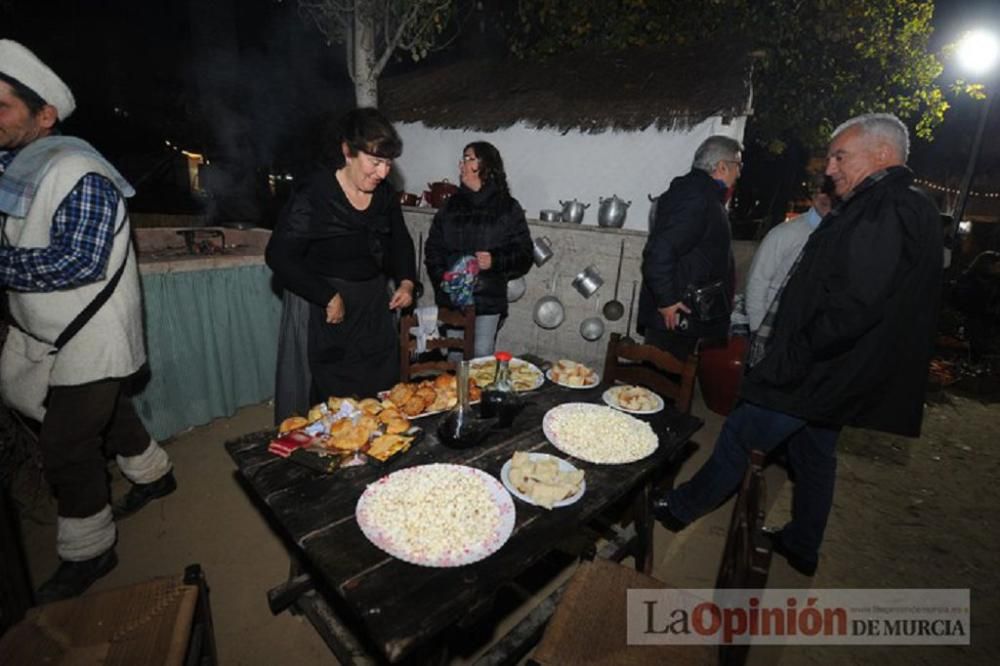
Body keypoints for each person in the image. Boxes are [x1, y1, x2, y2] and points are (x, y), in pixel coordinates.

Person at [653, 113, 942, 577]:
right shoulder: (891, 204)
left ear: (882, 154)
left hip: (815, 372)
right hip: (833, 376)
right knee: (814, 455)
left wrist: (792, 356)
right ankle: (803, 542)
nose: (830, 168)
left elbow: (851, 307)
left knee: (739, 436)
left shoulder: (887, 209)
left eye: (840, 156)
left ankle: (679, 508)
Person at [0, 40, 175, 602]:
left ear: (43, 114)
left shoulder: (78, 170)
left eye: (2, 107)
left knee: (67, 445)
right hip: (54, 330)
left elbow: (80, 260)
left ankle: (90, 550)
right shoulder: (20, 170)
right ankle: (155, 474)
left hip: (92, 332)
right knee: (111, 410)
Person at [266, 108, 416, 422]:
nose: (383, 173)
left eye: (388, 163)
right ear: (348, 151)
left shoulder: (385, 195)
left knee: (381, 392)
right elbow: (279, 255)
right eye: (375, 162)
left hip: (374, 308)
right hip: (329, 312)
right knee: (335, 402)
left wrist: (406, 281)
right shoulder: (314, 193)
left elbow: (400, 241)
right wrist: (326, 296)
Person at [424, 141, 533, 357]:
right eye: (463, 159)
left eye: (468, 158)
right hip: (453, 298)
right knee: (453, 357)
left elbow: (524, 253)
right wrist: (443, 279)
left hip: (488, 298)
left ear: (485, 165)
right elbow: (433, 249)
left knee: (482, 354)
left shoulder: (508, 207)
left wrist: (495, 260)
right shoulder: (450, 207)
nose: (461, 164)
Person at [638, 135, 741, 360]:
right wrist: (666, 301)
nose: (739, 174)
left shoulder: (700, 194)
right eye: (738, 166)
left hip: (685, 316)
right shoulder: (696, 197)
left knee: (667, 389)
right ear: (722, 166)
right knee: (660, 389)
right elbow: (660, 250)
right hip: (675, 319)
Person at [744, 174, 836, 331]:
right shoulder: (784, 233)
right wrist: (758, 328)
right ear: (812, 195)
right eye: (819, 191)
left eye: (829, 192)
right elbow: (758, 281)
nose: (824, 197)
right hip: (776, 326)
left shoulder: (842, 236)